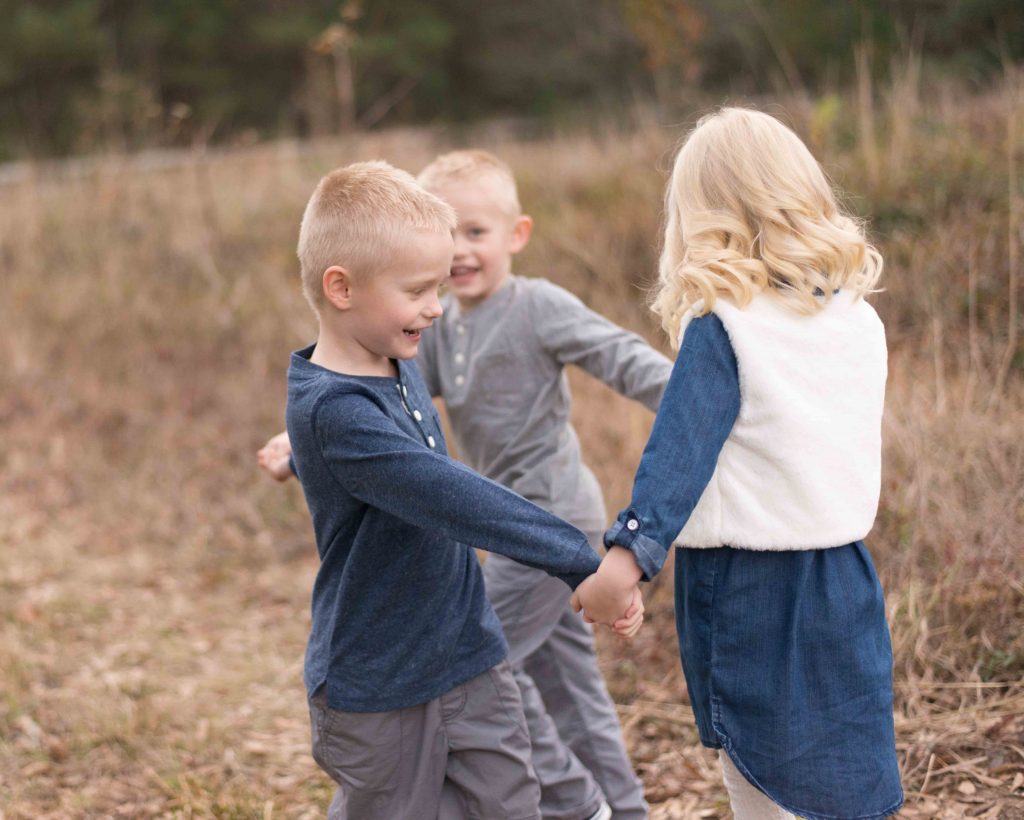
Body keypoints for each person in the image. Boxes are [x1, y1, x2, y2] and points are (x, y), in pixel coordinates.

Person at [261, 149, 671, 819]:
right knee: (541, 706)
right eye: (422, 289)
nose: (436, 305)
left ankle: (600, 808)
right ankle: (598, 807)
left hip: (499, 593)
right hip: (402, 651)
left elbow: (395, 456)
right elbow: (424, 479)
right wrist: (585, 562)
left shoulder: (399, 347)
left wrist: (698, 406)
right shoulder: (353, 389)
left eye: (441, 286)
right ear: (342, 288)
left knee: (523, 742)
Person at [572, 107, 904, 820]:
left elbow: (678, 456)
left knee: (763, 781)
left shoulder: (725, 325)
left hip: (748, 580)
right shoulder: (858, 319)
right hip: (844, 576)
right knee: (842, 772)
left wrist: (623, 563)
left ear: (700, 216)